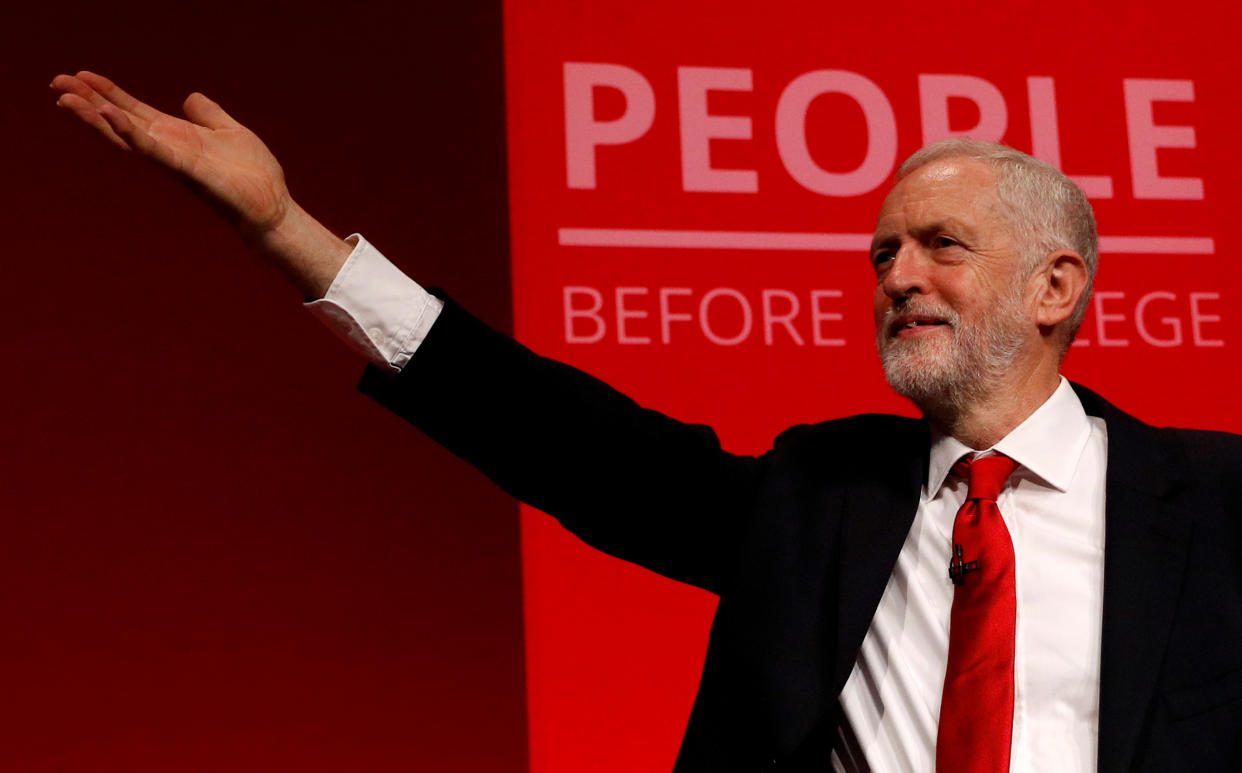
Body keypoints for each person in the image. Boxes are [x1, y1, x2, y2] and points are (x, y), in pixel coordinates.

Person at [50, 71, 1242, 772]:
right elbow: (567, 441)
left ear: (1056, 286)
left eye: (941, 245)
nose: (897, 276)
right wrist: (287, 231)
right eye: (883, 251)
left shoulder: (1218, 503)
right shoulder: (818, 492)